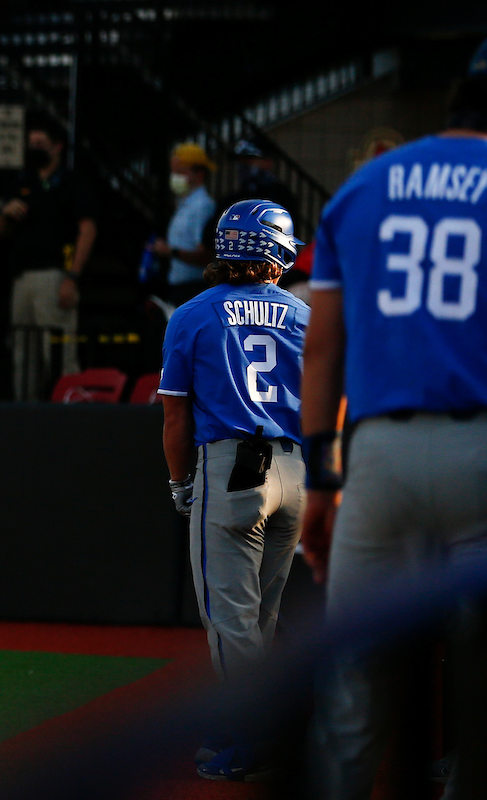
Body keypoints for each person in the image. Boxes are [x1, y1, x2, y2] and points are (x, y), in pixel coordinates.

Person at [299, 58, 487, 800]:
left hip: (378, 457)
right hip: (482, 449)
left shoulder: (362, 187)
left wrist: (320, 479)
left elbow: (321, 348)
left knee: (350, 683)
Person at [159, 199, 309, 781]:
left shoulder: (192, 314)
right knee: (260, 617)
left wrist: (179, 483)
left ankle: (259, 734)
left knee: (231, 620)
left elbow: (175, 419)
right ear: (274, 254)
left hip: (231, 467)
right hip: (295, 471)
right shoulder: (304, 314)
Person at [0, 114, 96, 401]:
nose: (34, 148)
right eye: (31, 143)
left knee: (59, 353)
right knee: (23, 354)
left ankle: (68, 412)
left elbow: (87, 229)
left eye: (40, 143)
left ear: (57, 146)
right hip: (22, 278)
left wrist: (72, 278)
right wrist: (5, 212)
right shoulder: (22, 181)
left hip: (54, 276)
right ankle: (25, 414)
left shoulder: (72, 182)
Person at [148, 142, 217, 307]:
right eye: (173, 172)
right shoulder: (184, 204)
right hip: (179, 288)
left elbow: (204, 255)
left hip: (193, 288)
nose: (175, 177)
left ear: (199, 175)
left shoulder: (202, 206)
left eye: (180, 172)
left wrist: (170, 251)